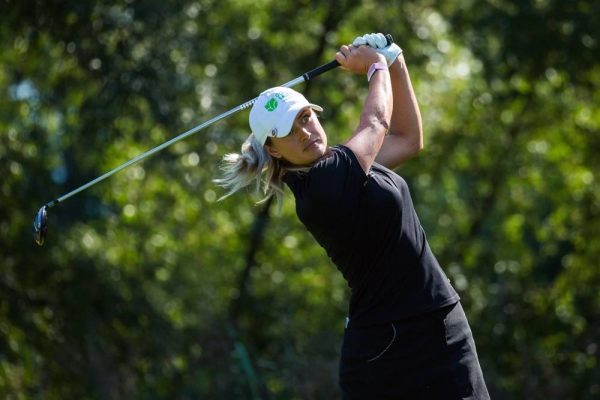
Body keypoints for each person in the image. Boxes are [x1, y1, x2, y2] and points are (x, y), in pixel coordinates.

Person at [216, 33, 490, 399]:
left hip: (411, 330)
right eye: (289, 130)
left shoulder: (341, 168)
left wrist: (394, 60)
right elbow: (376, 123)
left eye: (306, 117)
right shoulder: (324, 184)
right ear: (273, 149)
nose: (305, 131)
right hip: (403, 341)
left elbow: (409, 139)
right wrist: (374, 67)